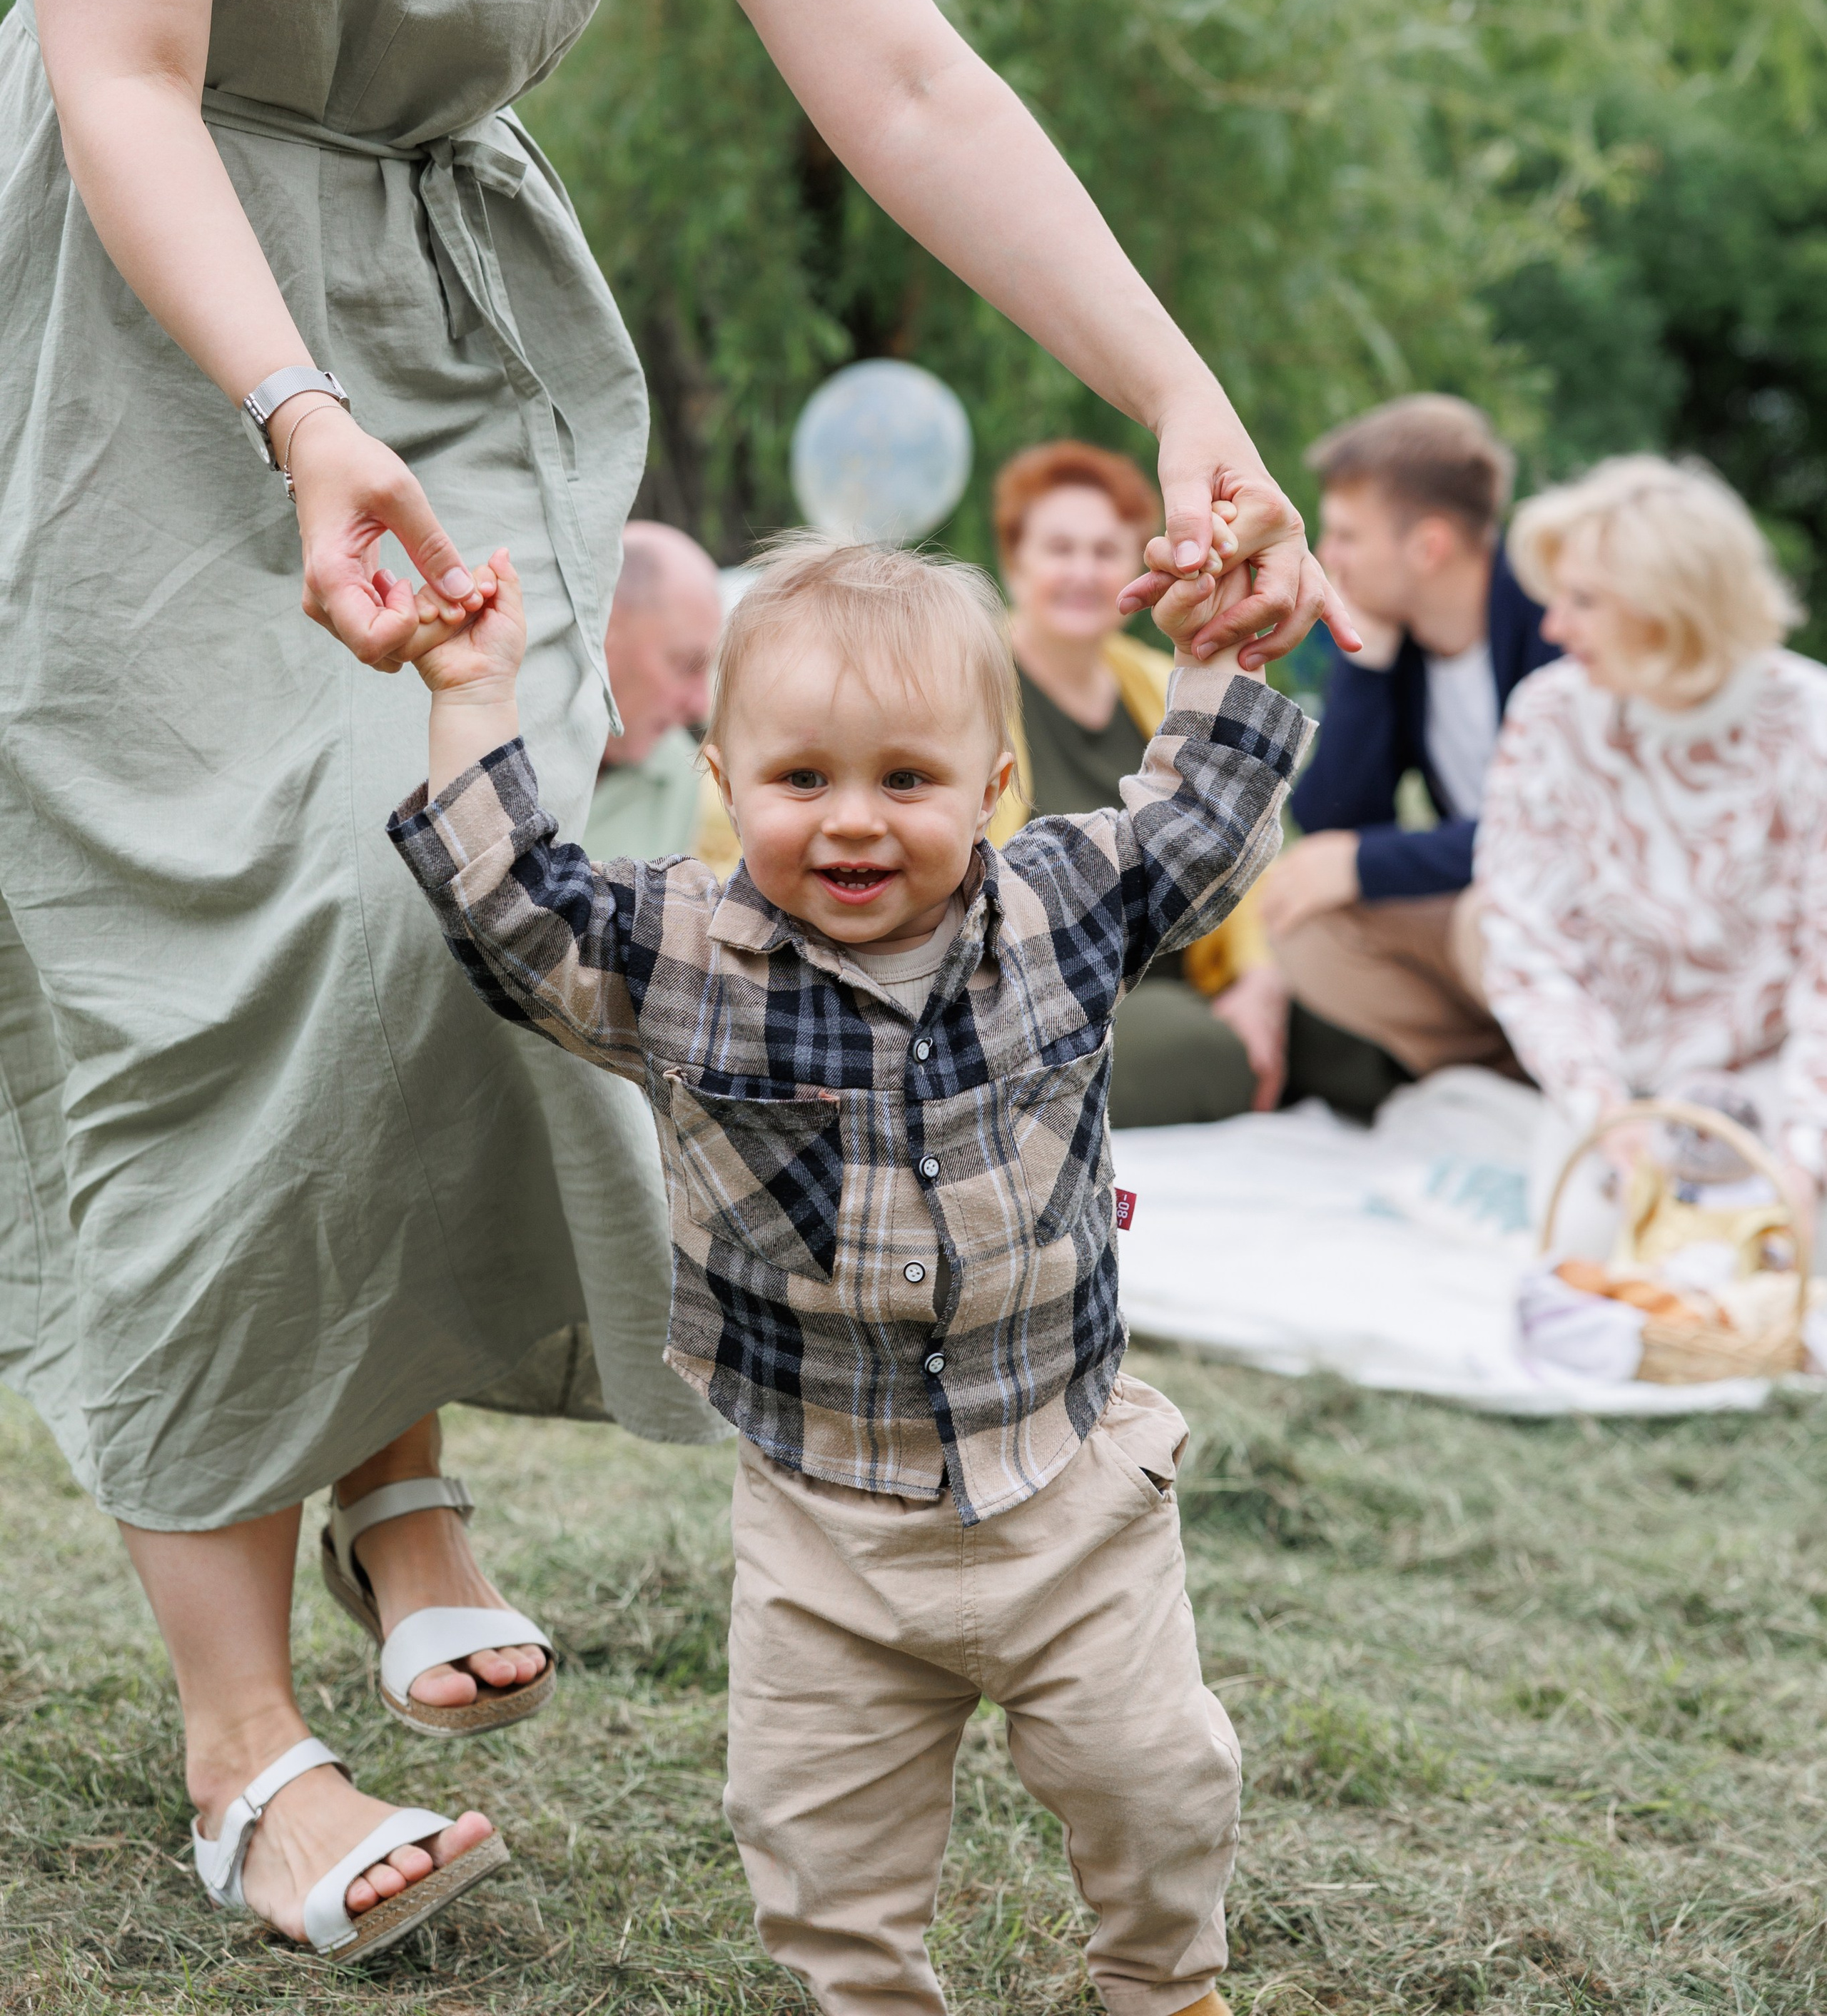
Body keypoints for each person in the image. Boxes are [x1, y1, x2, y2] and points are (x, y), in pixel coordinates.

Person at [1, 0, 1350, 1957]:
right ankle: (242, 1737)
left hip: (465, 332)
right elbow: (117, 61)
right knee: (227, 954)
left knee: (432, 907)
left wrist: (1178, 389)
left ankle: (392, 1475)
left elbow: (903, 81)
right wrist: (290, 413)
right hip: (164, 335)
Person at [389, 530, 1313, 2016]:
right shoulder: (681, 956)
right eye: (801, 780)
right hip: (825, 1532)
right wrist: (468, 691)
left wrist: (1218, 645)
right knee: (814, 1845)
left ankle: (1161, 1982)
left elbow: (1194, 821)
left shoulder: (1062, 911)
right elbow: (513, 910)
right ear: (725, 778)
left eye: (906, 780)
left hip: (1070, 1497)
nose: (852, 824)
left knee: (1156, 1780)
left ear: (993, 788)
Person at [1477, 455, 1827, 1235]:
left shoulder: (1811, 725)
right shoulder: (1548, 714)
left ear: (1671, 607)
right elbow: (1524, 944)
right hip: (1619, 1082)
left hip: (1782, 1079)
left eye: (1583, 601)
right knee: (1589, 1249)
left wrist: (1805, 1162)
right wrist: (1606, 1117)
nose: (1551, 627)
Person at [993, 440, 1381, 1120]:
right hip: (1053, 993)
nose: (1083, 571)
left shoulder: (1156, 679)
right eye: (1060, 549)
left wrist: (1260, 978)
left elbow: (1249, 830)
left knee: (1347, 1023)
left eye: (1104, 551)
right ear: (1014, 560)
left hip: (1188, 966)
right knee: (1204, 1048)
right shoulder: (971, 684)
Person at [1258, 395, 1559, 1088]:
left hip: (1578, 914)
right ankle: (1504, 1082)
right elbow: (1332, 817)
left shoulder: (1554, 622)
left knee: (1494, 916)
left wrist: (1368, 863)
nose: (1326, 558)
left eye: (1346, 536)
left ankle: (1596, 1082)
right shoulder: (1405, 641)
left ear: (1427, 547)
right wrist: (1366, 663)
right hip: (1490, 925)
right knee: (1305, 924)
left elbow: (1550, 837)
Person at [584, 520, 724, 861]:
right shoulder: (492, 732)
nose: (702, 706)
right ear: (604, 626)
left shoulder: (677, 776)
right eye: (686, 665)